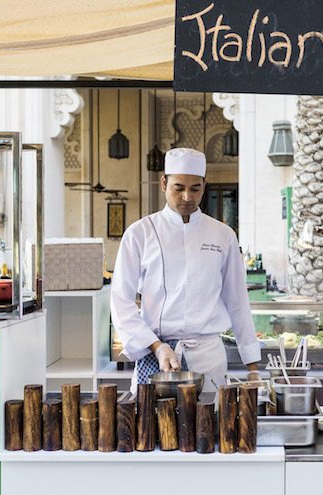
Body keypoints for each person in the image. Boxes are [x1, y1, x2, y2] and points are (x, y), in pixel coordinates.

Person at [111, 147, 261, 396]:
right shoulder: (140, 233)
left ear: (204, 185)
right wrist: (157, 347)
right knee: (154, 430)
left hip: (208, 357)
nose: (186, 197)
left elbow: (237, 301)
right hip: (157, 355)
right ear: (163, 183)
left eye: (195, 189)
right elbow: (120, 300)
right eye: (178, 188)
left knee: (209, 428)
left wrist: (253, 367)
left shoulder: (223, 235)